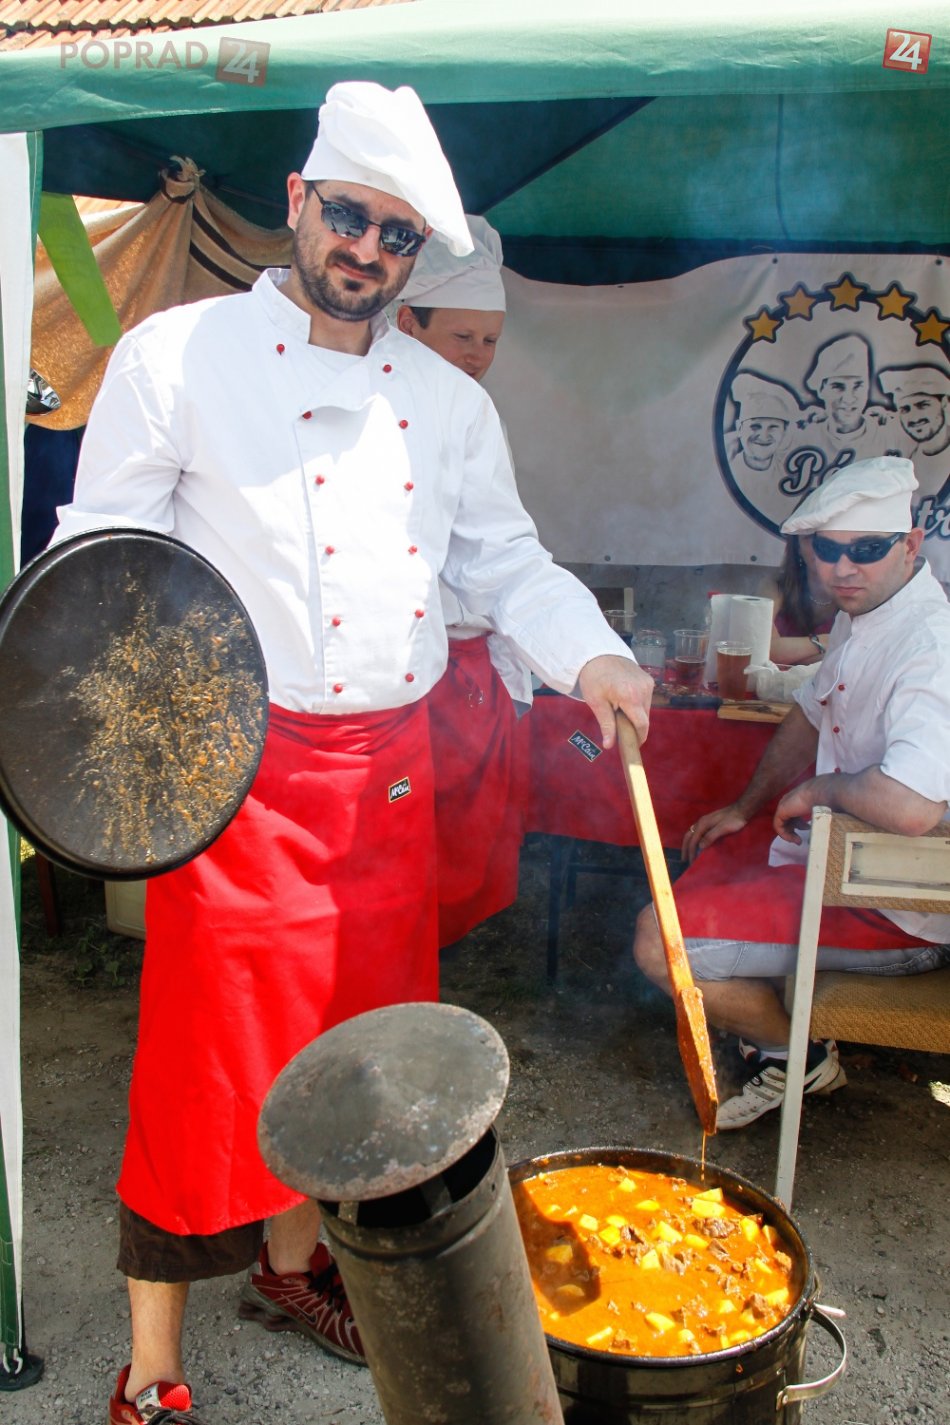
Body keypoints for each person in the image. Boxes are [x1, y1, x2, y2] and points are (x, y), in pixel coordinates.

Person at [51, 81, 653, 1423]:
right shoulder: (175, 357)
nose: (366, 250)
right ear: (298, 201)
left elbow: (505, 562)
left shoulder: (445, 403)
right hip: (234, 772)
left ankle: (291, 1264)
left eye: (395, 235)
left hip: (385, 785)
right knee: (205, 1068)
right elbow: (102, 556)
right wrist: (97, 736)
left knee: (358, 1059)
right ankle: (152, 1369)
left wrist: (594, 659)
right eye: (347, 217)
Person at [633, 456, 950, 1131]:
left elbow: (912, 807)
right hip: (837, 864)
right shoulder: (868, 612)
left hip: (898, 908)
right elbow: (809, 712)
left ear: (911, 544)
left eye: (867, 549)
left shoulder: (930, 646)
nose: (843, 569)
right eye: (827, 551)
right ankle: (775, 1028)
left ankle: (794, 1055)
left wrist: (821, 788)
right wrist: (746, 807)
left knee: (656, 945)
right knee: (705, 860)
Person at [391, 215, 530, 946]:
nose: (478, 355)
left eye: (491, 340)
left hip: (469, 662)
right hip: (407, 666)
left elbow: (499, 546)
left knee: (462, 832)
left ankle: (430, 950)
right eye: (463, 336)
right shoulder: (378, 403)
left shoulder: (475, 412)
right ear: (407, 321)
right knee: (407, 827)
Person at [801, 335, 897, 465]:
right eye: (838, 386)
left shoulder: (887, 434)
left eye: (858, 386)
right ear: (821, 390)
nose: (848, 399)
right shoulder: (804, 436)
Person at [879, 365, 950, 501]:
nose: (914, 418)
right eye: (905, 409)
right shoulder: (909, 460)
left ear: (944, 402)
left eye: (923, 405)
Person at [762, 534, 835, 665]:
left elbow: (852, 659)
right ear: (798, 548)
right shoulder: (776, 585)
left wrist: (788, 653)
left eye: (826, 537)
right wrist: (826, 641)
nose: (818, 546)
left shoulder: (855, 592)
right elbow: (762, 649)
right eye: (810, 537)